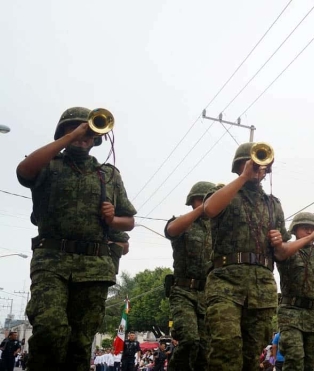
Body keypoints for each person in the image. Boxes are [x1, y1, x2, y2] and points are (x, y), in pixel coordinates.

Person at [16, 107, 136, 370]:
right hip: (52, 261)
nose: (83, 134)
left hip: (93, 266)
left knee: (80, 343)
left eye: (89, 130)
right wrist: (68, 139)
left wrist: (113, 219)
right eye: (75, 128)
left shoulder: (109, 174)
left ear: (97, 138)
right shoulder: (49, 165)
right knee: (50, 329)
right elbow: (24, 172)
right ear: (62, 133)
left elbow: (129, 220)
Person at [203, 142, 313, 371]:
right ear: (238, 166)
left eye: (260, 163)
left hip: (261, 286)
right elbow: (209, 209)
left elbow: (281, 254)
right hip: (226, 283)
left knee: (252, 355)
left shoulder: (274, 205)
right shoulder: (225, 193)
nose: (255, 167)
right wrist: (243, 177)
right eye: (249, 162)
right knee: (225, 346)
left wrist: (279, 243)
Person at [165, 181, 220, 371]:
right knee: (189, 340)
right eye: (204, 199)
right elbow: (171, 230)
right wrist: (201, 210)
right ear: (194, 200)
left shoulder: (218, 227)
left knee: (205, 352)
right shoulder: (183, 222)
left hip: (208, 295)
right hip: (183, 292)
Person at [276, 211, 314, 370]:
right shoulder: (288, 249)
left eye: (312, 228)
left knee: (310, 362)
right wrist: (310, 238)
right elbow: (281, 254)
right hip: (291, 313)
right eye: (305, 228)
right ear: (294, 230)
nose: (309, 231)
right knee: (294, 358)